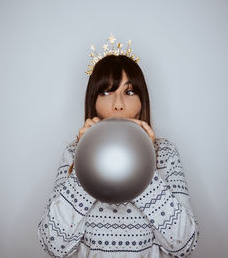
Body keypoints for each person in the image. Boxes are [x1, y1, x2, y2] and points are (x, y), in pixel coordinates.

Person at [38, 34, 200, 257]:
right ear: (93, 102)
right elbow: (53, 246)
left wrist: (144, 165)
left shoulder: (165, 154)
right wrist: (84, 163)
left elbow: (184, 245)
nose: (118, 105)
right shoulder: (72, 154)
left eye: (129, 92)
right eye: (106, 92)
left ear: (142, 101)